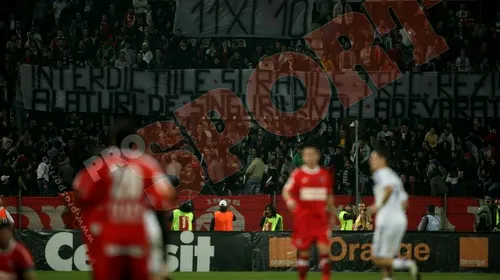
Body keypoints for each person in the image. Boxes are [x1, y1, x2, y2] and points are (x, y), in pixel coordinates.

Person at [73, 117, 176, 280]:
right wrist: (162, 256)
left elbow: (80, 191)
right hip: (138, 239)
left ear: (113, 141)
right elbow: (163, 203)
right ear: (134, 142)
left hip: (109, 239)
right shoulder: (147, 165)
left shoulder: (101, 165)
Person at [282, 139, 335, 280]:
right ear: (303, 157)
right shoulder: (298, 174)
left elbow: (329, 196)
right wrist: (290, 201)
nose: (310, 157)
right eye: (307, 155)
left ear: (317, 156)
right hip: (304, 219)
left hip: (321, 220)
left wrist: (331, 215)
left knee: (324, 251)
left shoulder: (324, 174)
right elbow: (286, 191)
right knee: (304, 253)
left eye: (312, 154)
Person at [367, 148, 420, 280]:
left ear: (383, 160)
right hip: (400, 221)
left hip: (386, 220)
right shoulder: (394, 176)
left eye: (374, 158)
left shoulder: (381, 173)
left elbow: (388, 188)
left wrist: (377, 206)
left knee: (376, 258)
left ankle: (407, 264)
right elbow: (405, 203)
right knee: (387, 259)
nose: (371, 161)